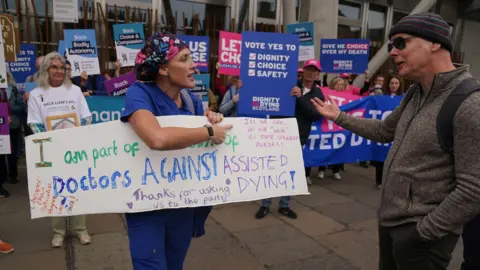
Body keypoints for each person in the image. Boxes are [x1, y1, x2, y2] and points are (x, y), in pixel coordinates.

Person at [310, 12, 480, 270]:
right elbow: (384, 131)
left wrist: (424, 231)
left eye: (401, 43)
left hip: (423, 238)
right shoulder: (415, 92)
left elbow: (474, 188)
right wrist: (339, 117)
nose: (392, 53)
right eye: (391, 46)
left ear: (435, 43)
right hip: (390, 223)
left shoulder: (471, 104)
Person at [120, 32, 232, 270]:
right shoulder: (139, 94)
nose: (194, 66)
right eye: (184, 59)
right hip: (146, 207)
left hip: (182, 205)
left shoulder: (192, 101)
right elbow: (156, 138)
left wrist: (212, 120)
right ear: (162, 68)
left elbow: (195, 140)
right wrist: (208, 132)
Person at [27, 52, 92, 248]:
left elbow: (87, 117)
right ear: (46, 69)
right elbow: (33, 123)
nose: (58, 71)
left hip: (75, 148)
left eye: (61, 67)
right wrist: (51, 138)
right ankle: (59, 232)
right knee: (56, 189)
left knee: (78, 188)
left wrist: (76, 134)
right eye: (54, 67)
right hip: (52, 149)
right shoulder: (37, 94)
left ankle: (81, 229)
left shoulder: (75, 91)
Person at [255, 59, 325, 219]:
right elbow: (270, 93)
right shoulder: (289, 84)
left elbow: (314, 115)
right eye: (308, 69)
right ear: (303, 70)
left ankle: (284, 205)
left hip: (298, 138)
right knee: (271, 170)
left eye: (314, 70)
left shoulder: (318, 94)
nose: (310, 72)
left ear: (317, 74)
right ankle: (265, 205)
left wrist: (300, 98)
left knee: (289, 172)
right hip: (279, 134)